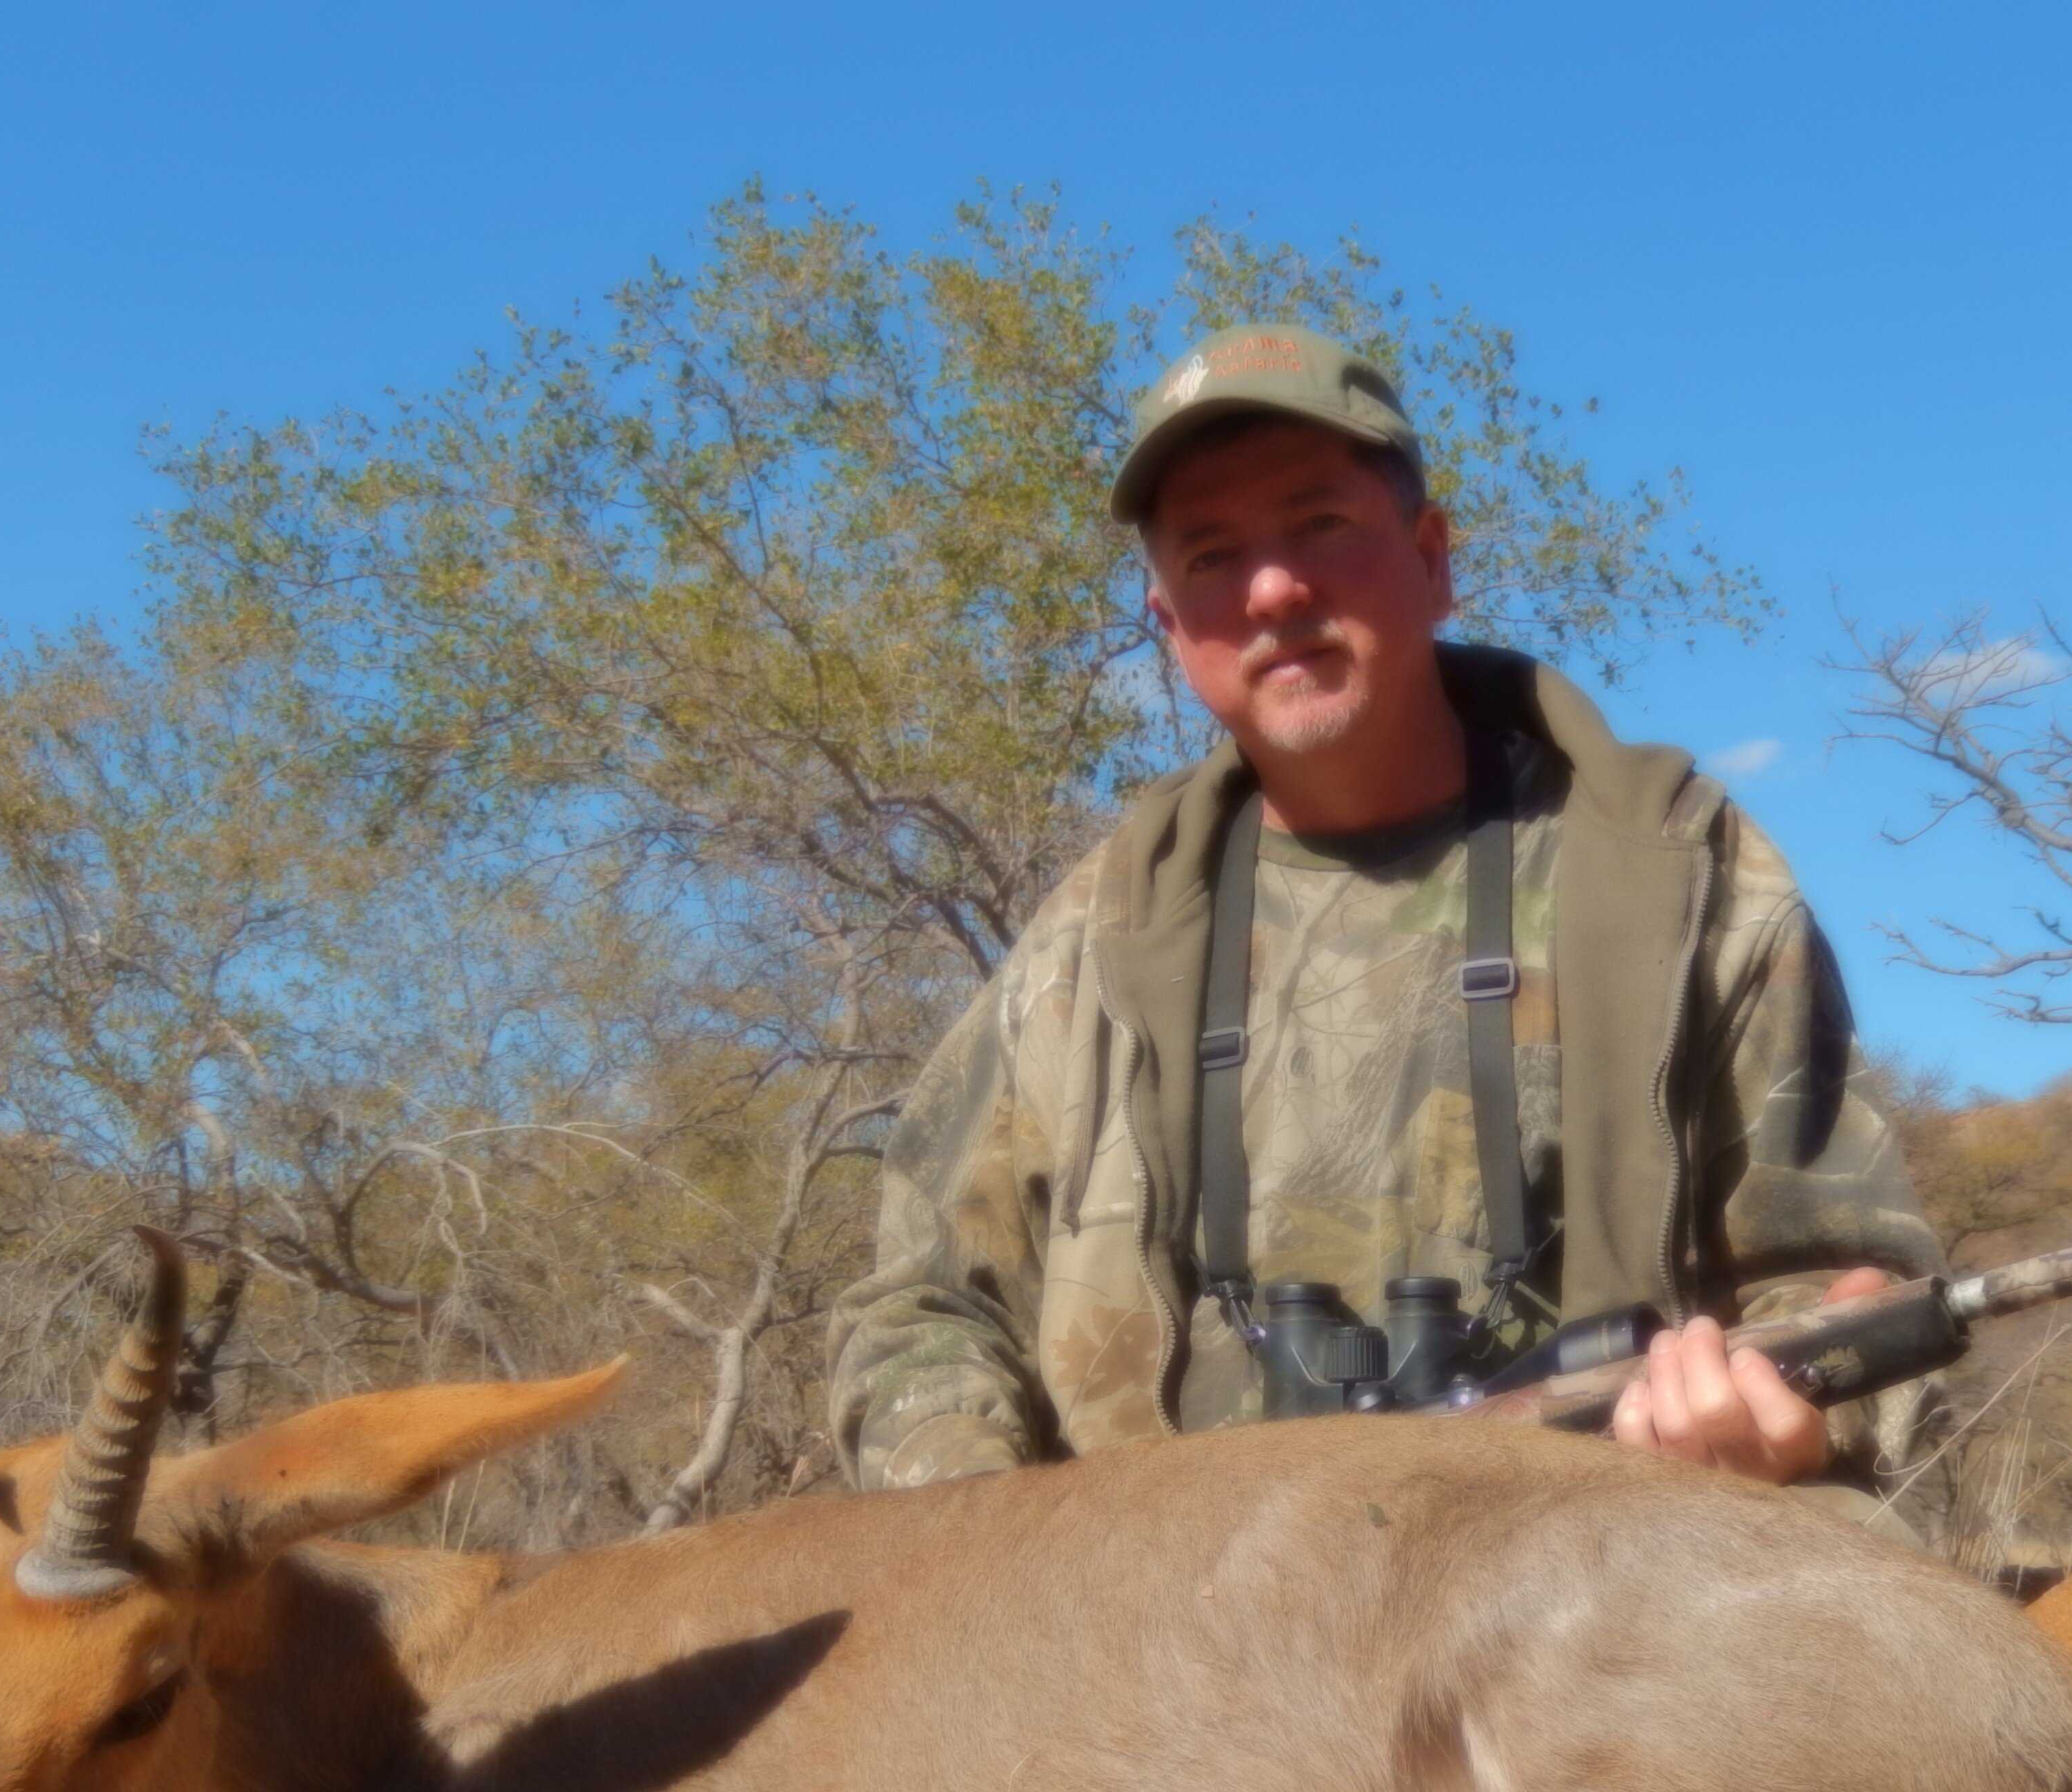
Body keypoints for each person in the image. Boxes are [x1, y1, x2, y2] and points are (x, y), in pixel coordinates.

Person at [827, 323, 1940, 1505]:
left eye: (1321, 527)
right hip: (1162, 1626)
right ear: (1170, 628)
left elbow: (1846, 1275)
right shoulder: (1088, 942)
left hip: (1599, 1567)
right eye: (1211, 556)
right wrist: (977, 1512)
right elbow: (919, 1310)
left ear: (1432, 557)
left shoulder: (1676, 864)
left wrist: (1788, 1418)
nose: (1272, 589)